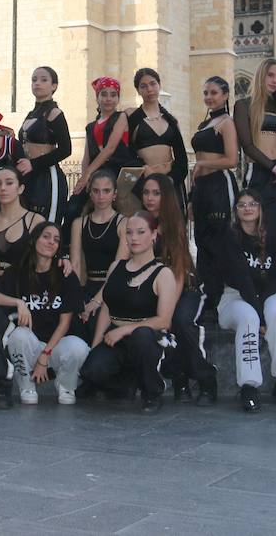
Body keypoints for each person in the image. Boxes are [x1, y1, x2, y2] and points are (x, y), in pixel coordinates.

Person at [77, 212, 181, 413]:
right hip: (117, 337)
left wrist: (125, 331)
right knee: (92, 371)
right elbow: (107, 306)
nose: (133, 238)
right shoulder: (116, 266)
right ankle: (129, 381)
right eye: (129, 233)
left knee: (141, 337)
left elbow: (164, 320)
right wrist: (97, 344)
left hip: (151, 337)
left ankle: (152, 392)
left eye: (140, 232)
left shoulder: (163, 273)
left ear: (153, 235)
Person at [0, 221, 87, 405]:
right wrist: (18, 302)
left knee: (78, 347)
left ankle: (65, 385)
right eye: (46, 237)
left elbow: (65, 323)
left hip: (56, 346)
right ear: (34, 240)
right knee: (18, 335)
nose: (51, 242)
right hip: (30, 345)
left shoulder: (65, 274)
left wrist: (45, 356)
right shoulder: (18, 272)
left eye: (56, 240)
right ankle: (26, 385)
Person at [140, 173, 218, 405]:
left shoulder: (174, 224)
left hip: (186, 289)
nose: (150, 198)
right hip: (155, 291)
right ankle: (179, 379)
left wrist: (170, 304)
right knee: (164, 331)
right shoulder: (138, 223)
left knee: (182, 323)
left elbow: (180, 271)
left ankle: (207, 380)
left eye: (156, 193)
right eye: (146, 192)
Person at [0, 165, 45, 408]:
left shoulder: (36, 221)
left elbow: (48, 255)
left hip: (18, 287)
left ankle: (3, 385)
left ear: (21, 187)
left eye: (9, 182)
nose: (3, 188)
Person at [213, 189, 276, 411]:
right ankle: (249, 386)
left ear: (260, 208)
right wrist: (259, 316)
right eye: (242, 205)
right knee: (249, 318)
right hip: (236, 296)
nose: (247, 208)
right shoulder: (229, 236)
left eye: (253, 204)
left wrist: (265, 311)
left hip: (269, 293)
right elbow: (242, 280)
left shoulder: (273, 234)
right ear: (236, 211)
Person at [189, 76, 239, 321]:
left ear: (225, 95)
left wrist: (203, 162)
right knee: (202, 240)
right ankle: (208, 293)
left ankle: (223, 293)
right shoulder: (205, 122)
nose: (209, 97)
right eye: (206, 93)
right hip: (201, 187)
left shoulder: (227, 123)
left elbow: (232, 160)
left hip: (219, 184)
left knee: (221, 238)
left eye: (214, 93)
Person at [233, 58, 276, 244]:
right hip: (263, 171)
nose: (274, 81)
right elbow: (247, 146)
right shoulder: (244, 105)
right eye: (270, 75)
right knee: (265, 232)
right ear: (261, 75)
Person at [67, 77, 136, 228]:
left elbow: (110, 148)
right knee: (73, 207)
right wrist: (85, 178)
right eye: (104, 94)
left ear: (118, 98)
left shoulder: (121, 117)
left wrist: (88, 174)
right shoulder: (90, 127)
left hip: (118, 172)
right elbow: (87, 157)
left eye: (113, 94)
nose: (108, 99)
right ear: (97, 97)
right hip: (97, 174)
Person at [125, 68, 189, 207]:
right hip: (144, 184)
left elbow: (182, 158)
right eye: (143, 86)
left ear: (159, 85)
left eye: (153, 84)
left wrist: (170, 180)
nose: (149, 89)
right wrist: (144, 170)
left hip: (170, 186)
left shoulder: (171, 121)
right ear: (138, 90)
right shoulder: (132, 119)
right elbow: (126, 152)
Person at [17, 66, 72, 226]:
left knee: (47, 225)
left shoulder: (55, 113)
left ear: (54, 86)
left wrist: (34, 164)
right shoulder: (31, 114)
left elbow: (66, 149)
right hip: (29, 176)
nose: (37, 83)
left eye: (43, 80)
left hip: (48, 177)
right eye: (34, 80)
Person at [69, 170, 125, 314]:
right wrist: (76, 297)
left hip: (114, 289)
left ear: (114, 194)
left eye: (106, 191)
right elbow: (75, 264)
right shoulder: (79, 224)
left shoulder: (123, 223)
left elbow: (119, 268)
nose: (101, 196)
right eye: (96, 191)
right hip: (89, 286)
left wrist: (96, 301)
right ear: (90, 193)